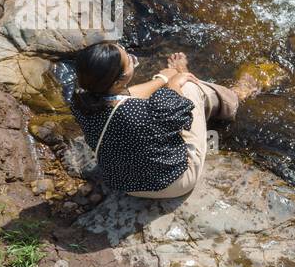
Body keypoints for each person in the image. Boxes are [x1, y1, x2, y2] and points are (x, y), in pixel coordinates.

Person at [68, 41, 254, 199]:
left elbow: (121, 98)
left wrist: (163, 78)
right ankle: (235, 96)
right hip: (172, 183)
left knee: (167, 91)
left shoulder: (81, 101)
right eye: (131, 61)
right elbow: (180, 110)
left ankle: (178, 78)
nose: (133, 60)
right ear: (117, 82)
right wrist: (177, 79)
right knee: (189, 87)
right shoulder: (142, 113)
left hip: (125, 185)